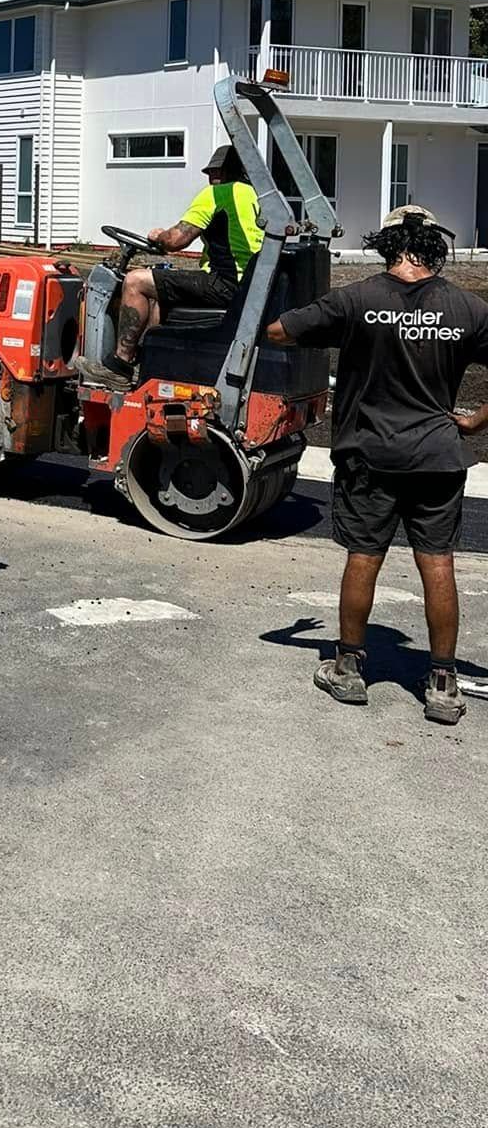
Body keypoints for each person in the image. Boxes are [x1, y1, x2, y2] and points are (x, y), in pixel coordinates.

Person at [268, 204, 488, 726]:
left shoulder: (357, 300)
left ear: (387, 245)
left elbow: (277, 331)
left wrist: (339, 331)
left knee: (364, 556)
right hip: (437, 455)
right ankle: (441, 681)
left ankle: (347, 668)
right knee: (437, 562)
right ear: (435, 245)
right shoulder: (468, 308)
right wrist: (478, 423)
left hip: (370, 454)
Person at [83, 143, 264, 384]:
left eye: (213, 172)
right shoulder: (255, 196)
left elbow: (176, 240)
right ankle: (149, 360)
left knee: (135, 281)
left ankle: (120, 364)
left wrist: (159, 236)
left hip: (223, 284)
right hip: (246, 285)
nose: (210, 177)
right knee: (159, 288)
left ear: (222, 172)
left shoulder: (216, 195)